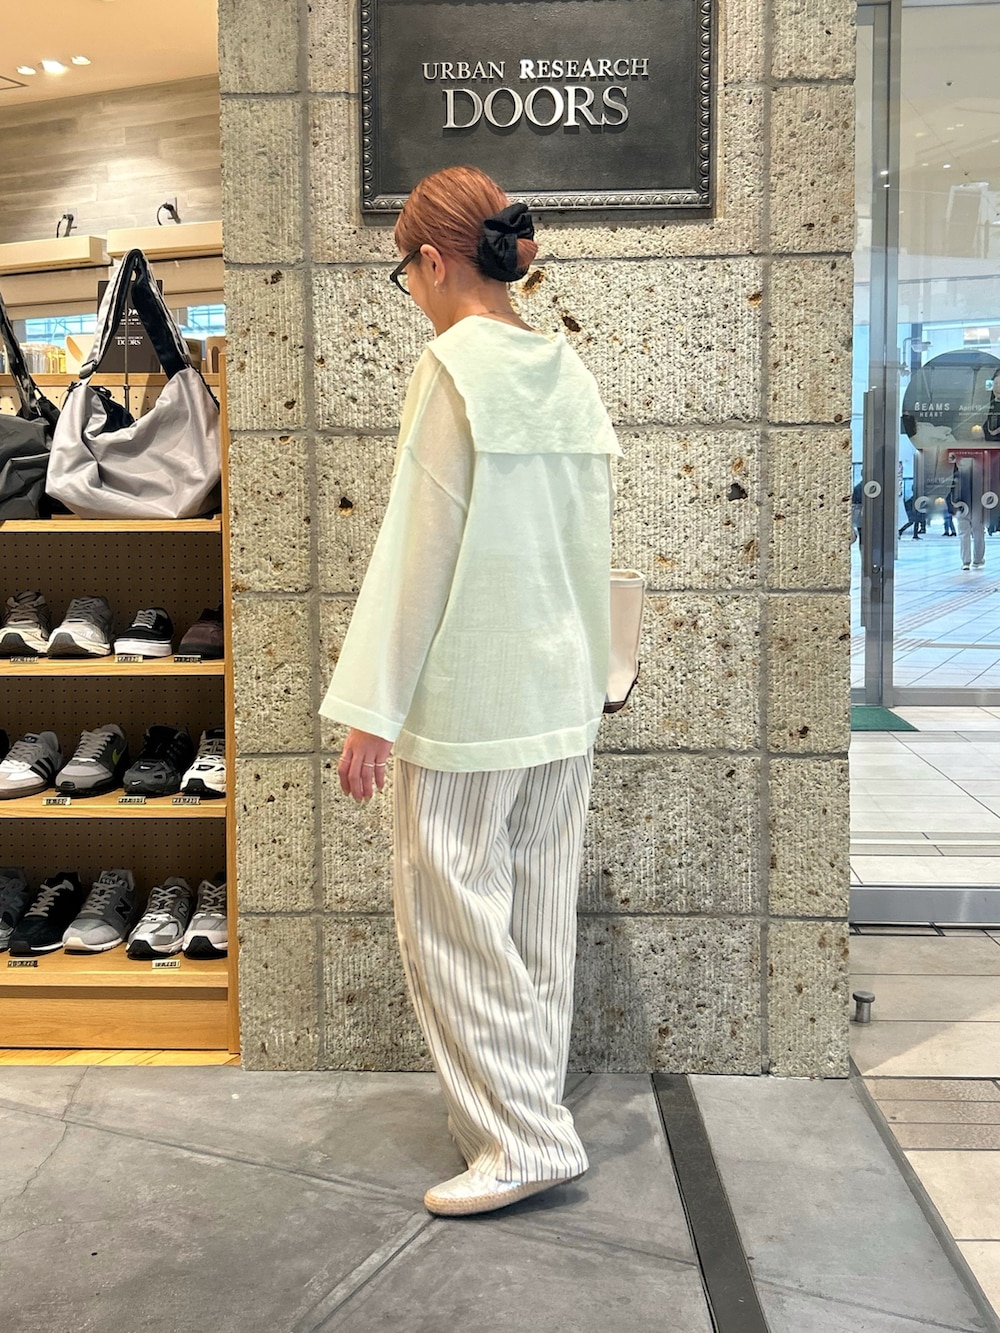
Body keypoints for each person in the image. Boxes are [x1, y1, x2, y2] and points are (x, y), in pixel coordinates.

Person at [319, 166, 620, 1218]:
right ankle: (522, 1118)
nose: (409, 291)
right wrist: (595, 669)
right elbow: (590, 539)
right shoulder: (564, 366)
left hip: (469, 692)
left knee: (452, 919)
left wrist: (373, 709)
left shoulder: (452, 367)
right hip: (560, 686)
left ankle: (520, 1136)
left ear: (433, 261)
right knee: (533, 919)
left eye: (405, 273)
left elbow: (420, 547)